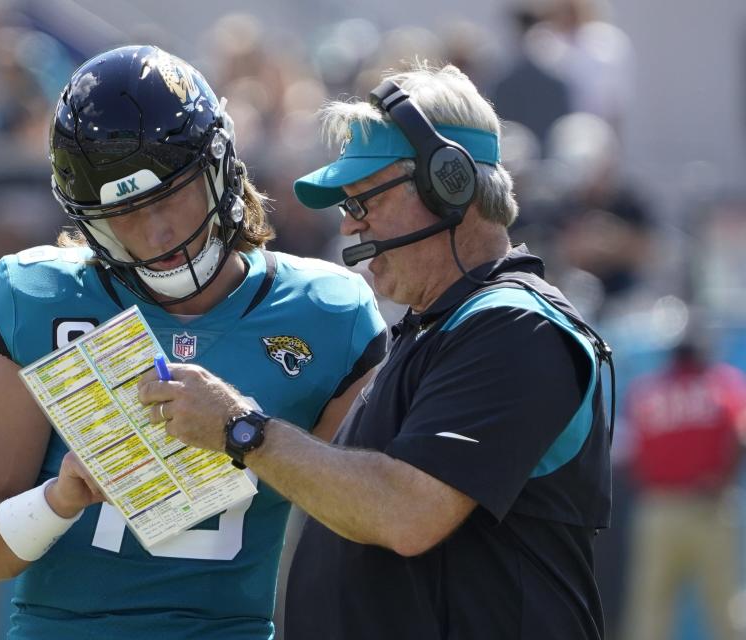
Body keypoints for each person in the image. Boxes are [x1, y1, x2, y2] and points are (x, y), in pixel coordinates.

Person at [138, 61, 613, 640]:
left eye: (364, 200)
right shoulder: (438, 328)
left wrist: (241, 428)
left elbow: (407, 513)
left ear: (449, 185)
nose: (348, 225)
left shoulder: (515, 327)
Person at [0, 45, 386, 639]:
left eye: (171, 194)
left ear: (219, 166)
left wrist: (247, 433)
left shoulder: (325, 314)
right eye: (124, 212)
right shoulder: (42, 300)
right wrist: (57, 500)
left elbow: (372, 513)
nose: (157, 232)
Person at [620, 330, 746, 640]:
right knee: (724, 604)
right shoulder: (722, 384)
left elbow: (628, 454)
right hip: (710, 506)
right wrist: (722, 479)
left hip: (658, 507)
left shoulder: (646, 392)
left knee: (651, 607)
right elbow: (740, 436)